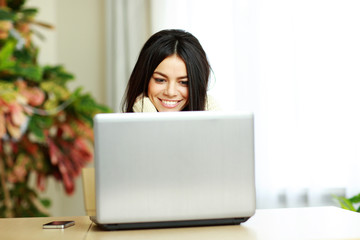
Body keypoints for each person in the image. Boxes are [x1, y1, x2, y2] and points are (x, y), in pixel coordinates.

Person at [121, 29, 220, 112]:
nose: (170, 92)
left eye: (184, 82)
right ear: (143, 79)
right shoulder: (117, 130)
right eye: (160, 80)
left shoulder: (209, 108)